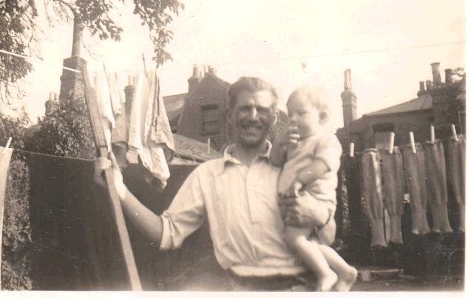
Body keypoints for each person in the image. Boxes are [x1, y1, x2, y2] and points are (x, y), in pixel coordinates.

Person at [95, 77, 336, 291]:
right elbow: (166, 233)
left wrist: (318, 213)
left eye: (262, 109)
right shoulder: (208, 175)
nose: (253, 116)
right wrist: (120, 190)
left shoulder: (294, 167)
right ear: (230, 115)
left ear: (273, 118)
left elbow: (328, 237)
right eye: (245, 108)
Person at [271, 85, 358, 291]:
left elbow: (321, 166)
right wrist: (278, 144)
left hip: (315, 198)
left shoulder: (327, 139)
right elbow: (276, 163)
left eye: (301, 113)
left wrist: (299, 181)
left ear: (323, 116)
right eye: (291, 114)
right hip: (297, 199)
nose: (293, 119)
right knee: (307, 243)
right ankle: (345, 271)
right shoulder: (296, 142)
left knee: (294, 239)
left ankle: (326, 274)